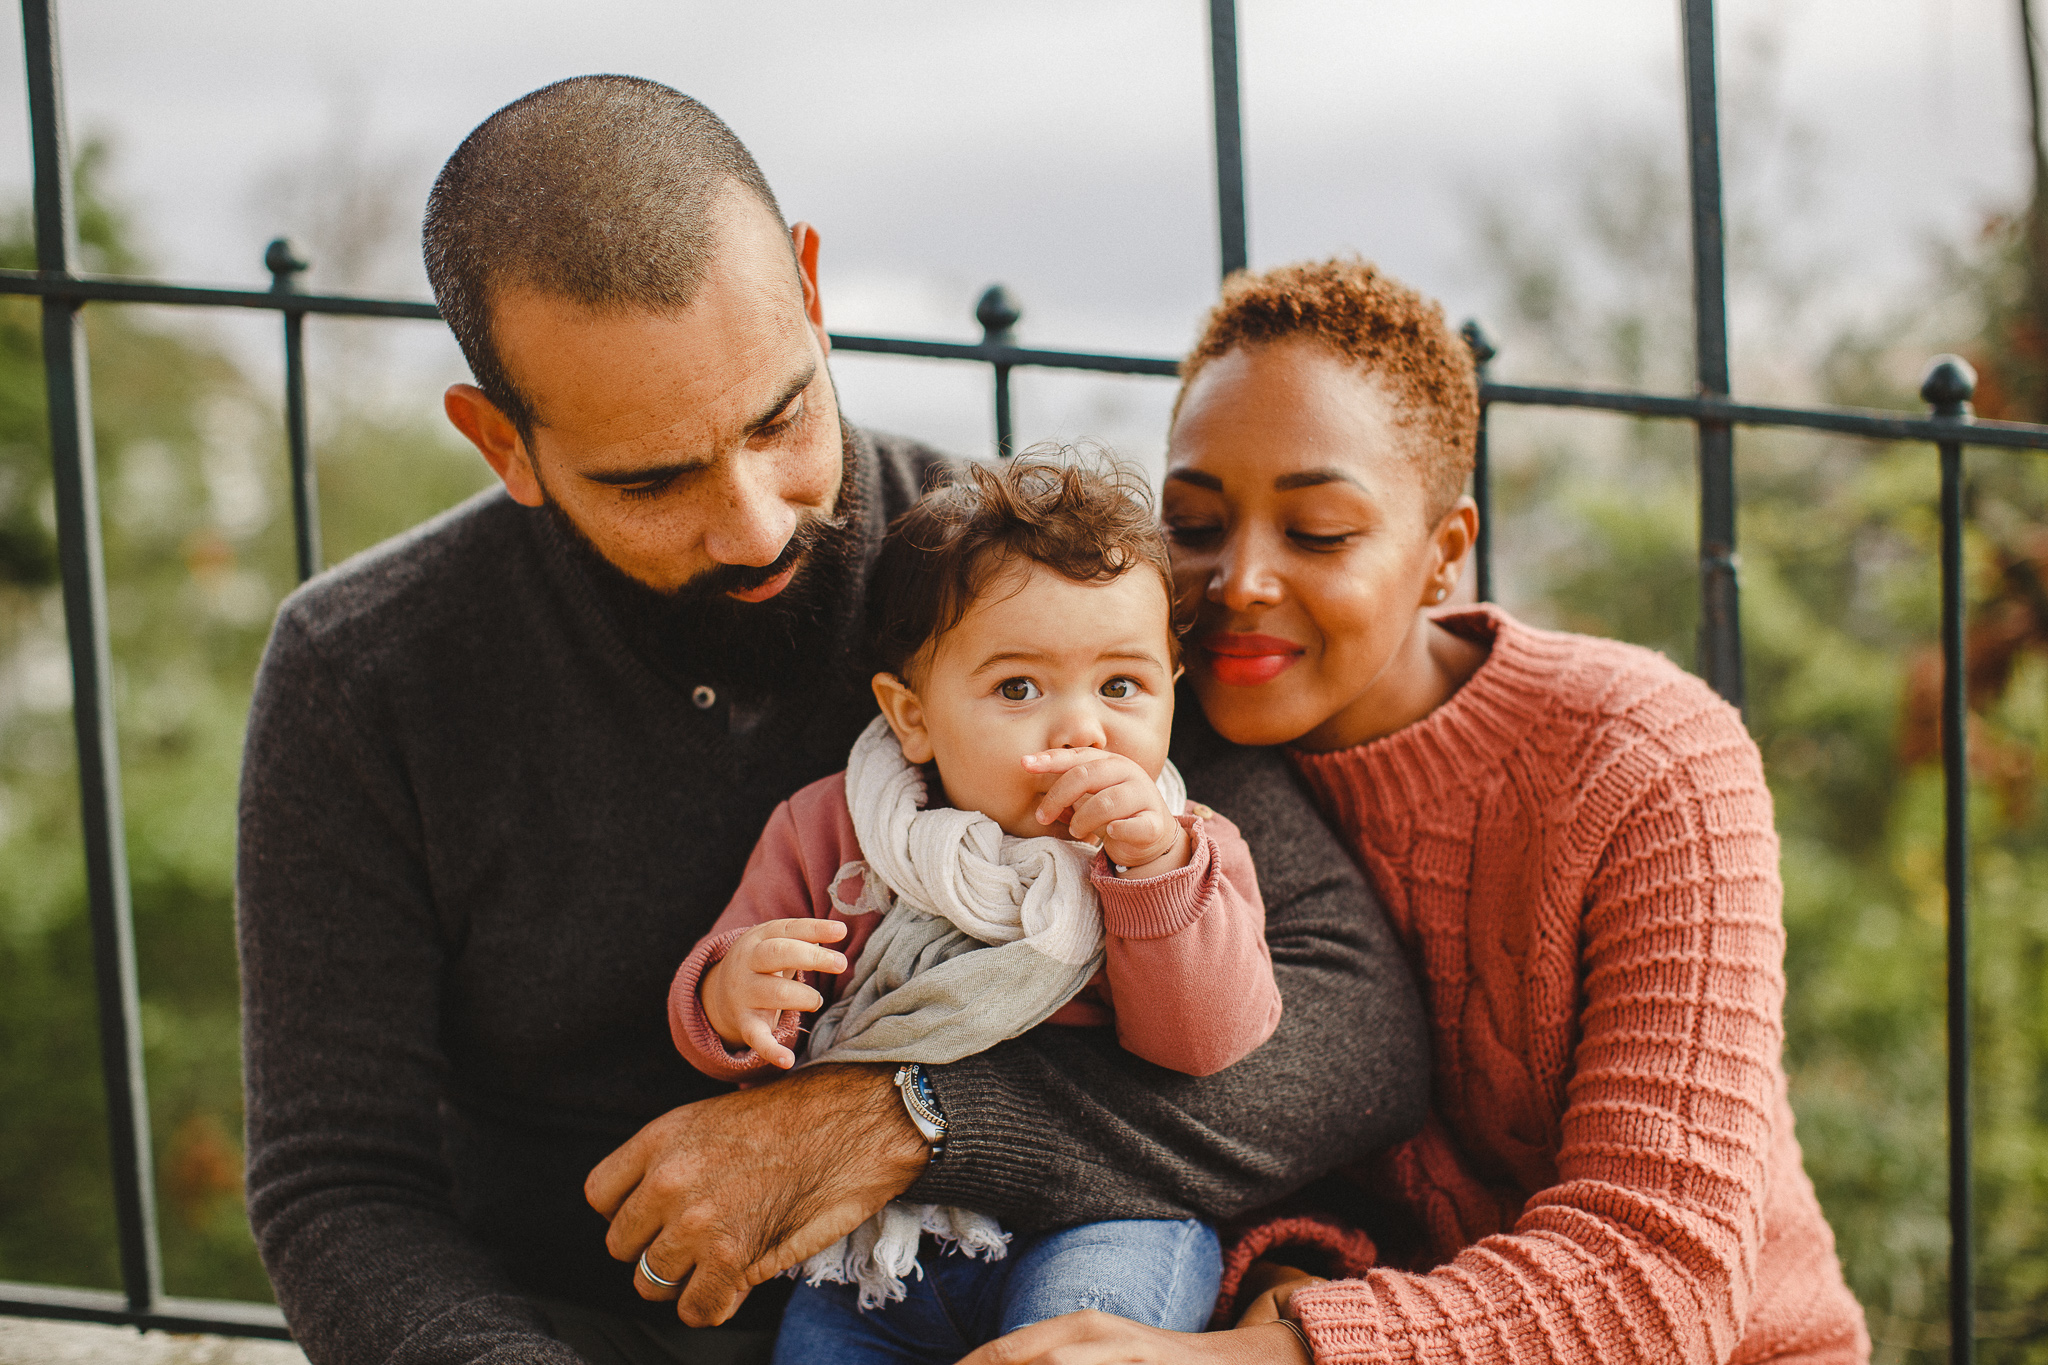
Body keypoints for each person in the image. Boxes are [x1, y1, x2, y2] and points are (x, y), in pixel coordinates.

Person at [235, 78, 1431, 1365]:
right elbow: (336, 1181)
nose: (755, 523)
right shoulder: (361, 672)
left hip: (1024, 1301)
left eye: (779, 417)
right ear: (501, 443)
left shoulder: (1025, 593)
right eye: (651, 479)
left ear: (809, 288)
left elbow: (1353, 1030)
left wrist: (905, 1119)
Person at [961, 259, 1871, 1365]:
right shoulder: (1137, 767)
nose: (1239, 578)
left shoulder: (1647, 759)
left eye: (1319, 531)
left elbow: (1657, 1276)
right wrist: (1292, 1267)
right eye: (1195, 524)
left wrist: (1243, 1357)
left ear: (1443, 552)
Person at [675, 457, 1281, 1363]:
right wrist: (731, 996)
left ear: (1171, 686)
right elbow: (740, 1033)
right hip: (883, 1247)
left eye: (1121, 686)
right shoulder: (836, 831)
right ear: (911, 716)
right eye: (1018, 689)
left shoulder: (1190, 850)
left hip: (1106, 1216)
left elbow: (1203, 1042)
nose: (1082, 728)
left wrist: (1151, 869)